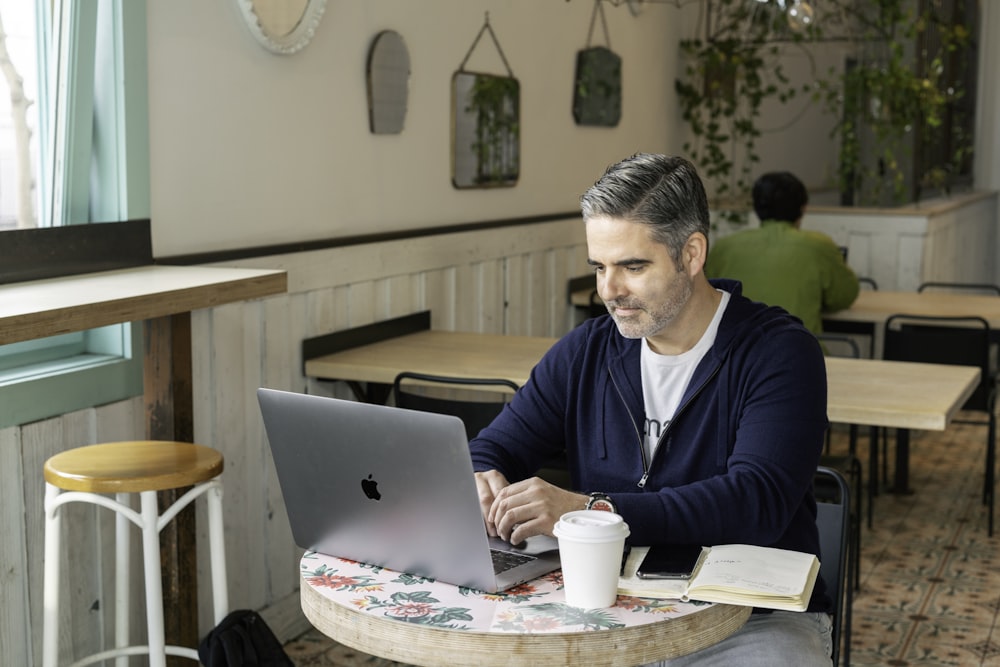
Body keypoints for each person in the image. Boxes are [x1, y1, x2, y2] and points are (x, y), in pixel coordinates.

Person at [469, 154, 833, 666]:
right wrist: (481, 473)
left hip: (749, 620)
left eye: (633, 267)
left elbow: (757, 501)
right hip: (603, 614)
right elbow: (494, 446)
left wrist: (588, 511)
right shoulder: (586, 351)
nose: (609, 291)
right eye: (600, 266)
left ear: (692, 254)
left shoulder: (779, 352)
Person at [705, 171, 859, 336]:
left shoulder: (725, 247)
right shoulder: (819, 246)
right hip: (800, 351)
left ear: (757, 207)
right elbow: (844, 297)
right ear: (802, 208)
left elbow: (706, 297)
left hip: (733, 353)